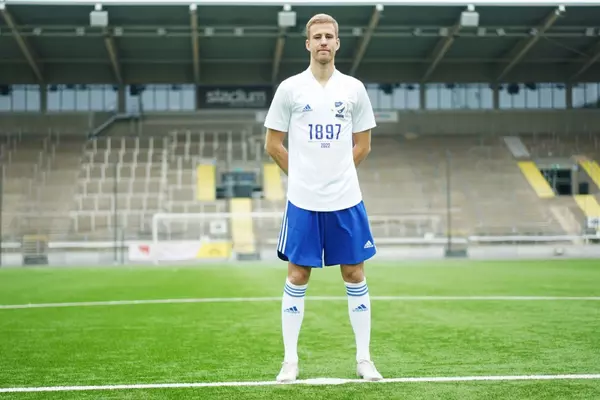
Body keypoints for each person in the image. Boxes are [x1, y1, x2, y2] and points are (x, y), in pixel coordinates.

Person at [263, 13, 382, 383]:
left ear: (338, 43)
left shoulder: (354, 89)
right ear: (308, 44)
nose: (324, 42)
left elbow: (363, 144)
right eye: (317, 37)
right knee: (297, 274)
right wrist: (304, 177)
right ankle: (290, 361)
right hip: (303, 200)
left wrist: (337, 174)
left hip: (346, 198)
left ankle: (364, 360)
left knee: (354, 272)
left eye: (329, 36)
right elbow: (273, 144)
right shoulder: (290, 89)